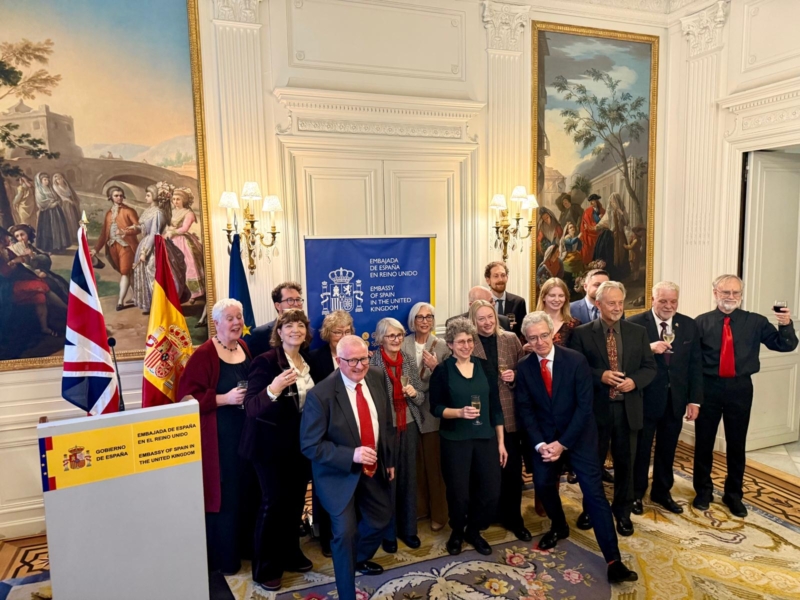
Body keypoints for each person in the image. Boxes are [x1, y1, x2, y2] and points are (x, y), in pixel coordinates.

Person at [515, 312, 639, 584]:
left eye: (544, 335)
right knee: (544, 485)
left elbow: (585, 409)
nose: (540, 342)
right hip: (544, 442)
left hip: (578, 437)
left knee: (594, 495)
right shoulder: (524, 368)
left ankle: (613, 559)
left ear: (552, 333)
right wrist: (541, 445)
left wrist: (563, 443)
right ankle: (559, 527)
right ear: (527, 339)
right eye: (533, 338)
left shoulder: (575, 360)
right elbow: (525, 411)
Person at [693, 274, 797, 517]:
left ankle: (734, 495)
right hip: (708, 388)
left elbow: (785, 345)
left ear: (741, 295)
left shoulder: (756, 322)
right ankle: (703, 491)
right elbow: (693, 362)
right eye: (725, 292)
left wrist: (786, 324)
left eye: (735, 293)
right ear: (715, 293)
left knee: (737, 444)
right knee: (704, 443)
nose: (730, 297)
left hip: (740, 389)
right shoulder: (701, 322)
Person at [300, 335, 396, 600]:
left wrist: (389, 461)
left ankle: (359, 559)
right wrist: (350, 455)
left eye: (363, 358)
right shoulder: (320, 395)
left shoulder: (376, 377)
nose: (359, 365)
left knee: (381, 518)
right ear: (338, 361)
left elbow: (385, 423)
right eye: (351, 360)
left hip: (373, 468)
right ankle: (346, 592)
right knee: (344, 534)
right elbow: (310, 445)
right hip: (337, 475)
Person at [568, 281, 656, 536]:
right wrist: (601, 375)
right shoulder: (583, 333)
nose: (617, 308)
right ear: (598, 304)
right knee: (592, 465)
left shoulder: (637, 332)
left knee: (626, 465)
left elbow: (650, 368)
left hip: (628, 410)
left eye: (620, 302)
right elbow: (577, 370)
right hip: (596, 411)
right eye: (611, 303)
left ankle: (623, 512)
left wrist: (634, 381)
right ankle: (591, 508)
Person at [177, 299, 253, 575]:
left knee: (246, 492)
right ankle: (226, 559)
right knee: (227, 498)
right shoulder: (205, 354)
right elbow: (185, 398)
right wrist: (224, 398)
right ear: (216, 323)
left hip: (246, 435)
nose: (236, 322)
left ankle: (247, 550)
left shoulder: (244, 347)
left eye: (239, 317)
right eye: (230, 318)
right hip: (220, 440)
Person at [240, 309, 314, 591]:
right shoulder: (266, 362)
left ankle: (290, 553)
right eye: (289, 325)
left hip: (298, 445)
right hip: (267, 447)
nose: (295, 329)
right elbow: (251, 407)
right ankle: (265, 568)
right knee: (273, 504)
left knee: (295, 502)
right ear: (279, 332)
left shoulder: (307, 363)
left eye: (300, 325)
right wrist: (273, 388)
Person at [430, 318, 506, 556]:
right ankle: (457, 532)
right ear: (450, 344)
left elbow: (495, 407)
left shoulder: (485, 366)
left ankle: (474, 530)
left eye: (469, 340)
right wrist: (459, 413)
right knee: (458, 492)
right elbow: (436, 408)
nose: (466, 345)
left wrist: (501, 443)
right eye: (460, 341)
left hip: (485, 438)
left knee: (490, 490)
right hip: (455, 440)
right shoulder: (442, 371)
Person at [628, 281, 703, 515]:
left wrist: (694, 400)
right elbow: (626, 362)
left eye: (673, 301)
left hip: (676, 399)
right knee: (640, 450)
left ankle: (661, 491)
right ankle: (635, 493)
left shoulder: (688, 325)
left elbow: (695, 365)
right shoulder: (634, 324)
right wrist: (648, 348)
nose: (668, 305)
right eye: (663, 300)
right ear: (652, 300)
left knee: (668, 449)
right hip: (645, 399)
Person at [468, 299, 528, 540]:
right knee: (483, 471)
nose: (487, 322)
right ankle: (484, 516)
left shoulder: (510, 339)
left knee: (512, 471)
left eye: (490, 317)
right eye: (481, 318)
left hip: (508, 412)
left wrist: (514, 376)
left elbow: (524, 373)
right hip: (480, 415)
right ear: (473, 321)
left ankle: (514, 518)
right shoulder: (467, 343)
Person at [369, 318, 425, 552]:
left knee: (409, 481)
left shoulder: (409, 361)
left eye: (400, 335)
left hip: (410, 425)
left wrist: (413, 393)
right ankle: (388, 532)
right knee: (387, 482)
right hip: (385, 430)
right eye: (391, 336)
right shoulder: (372, 364)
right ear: (381, 338)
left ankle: (409, 529)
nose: (396, 340)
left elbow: (421, 397)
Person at [307, 309, 354, 557]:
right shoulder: (315, 359)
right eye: (338, 332)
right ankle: (326, 537)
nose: (343, 336)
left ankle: (348, 535)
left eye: (347, 331)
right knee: (325, 486)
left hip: (350, 431)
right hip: (325, 432)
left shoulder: (357, 355)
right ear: (328, 335)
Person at [402, 302, 450, 533]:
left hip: (432, 412)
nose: (424, 321)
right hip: (409, 411)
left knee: (435, 466)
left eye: (428, 316)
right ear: (413, 320)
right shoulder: (402, 343)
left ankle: (439, 514)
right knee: (416, 465)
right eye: (420, 317)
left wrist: (437, 366)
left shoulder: (441, 346)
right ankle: (420, 509)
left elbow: (451, 378)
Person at [132, 183, 188, 314]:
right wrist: (135, 228)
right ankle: (151, 304)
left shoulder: (158, 213)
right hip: (146, 243)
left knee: (154, 274)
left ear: (155, 196)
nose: (145, 197)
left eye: (148, 195)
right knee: (146, 274)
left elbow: (154, 233)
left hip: (156, 246)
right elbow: (145, 228)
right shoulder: (148, 211)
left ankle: (161, 304)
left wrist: (145, 252)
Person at [0, 226, 64, 338]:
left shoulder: (7, 251)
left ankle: (44, 328)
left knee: (40, 297)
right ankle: (68, 310)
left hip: (16, 281)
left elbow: (22, 261)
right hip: (6, 288)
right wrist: (12, 264)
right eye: (4, 239)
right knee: (41, 286)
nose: (7, 241)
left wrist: (22, 258)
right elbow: (5, 274)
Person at [92, 186, 140, 310]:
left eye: (120, 195)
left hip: (126, 246)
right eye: (116, 195)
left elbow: (138, 228)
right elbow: (104, 234)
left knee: (125, 272)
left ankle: (120, 301)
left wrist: (125, 232)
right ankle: (137, 297)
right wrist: (96, 249)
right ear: (110, 197)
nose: (119, 198)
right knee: (127, 272)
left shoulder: (129, 211)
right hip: (113, 247)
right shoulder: (109, 214)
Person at [9, 224, 70, 304]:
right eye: (17, 236)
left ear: (27, 234)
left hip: (40, 273)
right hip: (28, 275)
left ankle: (70, 303)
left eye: (22, 235)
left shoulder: (30, 247)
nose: (20, 238)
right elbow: (23, 267)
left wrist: (33, 256)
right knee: (51, 284)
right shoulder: (15, 250)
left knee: (59, 281)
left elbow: (46, 260)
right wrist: (36, 272)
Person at [165, 187, 205, 304]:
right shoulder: (172, 212)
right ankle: (177, 291)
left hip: (182, 241)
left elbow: (184, 228)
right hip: (170, 240)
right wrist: (168, 230)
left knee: (187, 264)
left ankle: (193, 293)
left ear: (184, 200)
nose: (175, 202)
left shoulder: (189, 213)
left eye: (178, 199)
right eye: (174, 199)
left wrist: (173, 232)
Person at [249, 282, 304, 357]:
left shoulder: (305, 331)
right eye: (290, 300)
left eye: (298, 299)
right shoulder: (260, 335)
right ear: (278, 306)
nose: (296, 304)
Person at [484, 260, 527, 339]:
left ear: (507, 278)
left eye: (503, 275)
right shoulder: (483, 303)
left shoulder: (519, 302)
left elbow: (523, 332)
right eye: (496, 276)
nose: (500, 279)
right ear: (488, 280)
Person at [593, 193, 629, 281]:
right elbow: (598, 226)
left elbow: (626, 222)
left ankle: (620, 274)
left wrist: (620, 211)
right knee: (607, 254)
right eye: (612, 201)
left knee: (622, 255)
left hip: (619, 237)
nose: (613, 203)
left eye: (615, 201)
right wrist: (602, 226)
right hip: (609, 237)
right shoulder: (609, 213)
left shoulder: (622, 212)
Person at [536, 277, 581, 348]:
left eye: (561, 296)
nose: (557, 299)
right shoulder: (532, 322)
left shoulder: (575, 324)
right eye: (552, 295)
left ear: (565, 298)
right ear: (543, 297)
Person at [33, 173, 71, 253]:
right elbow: (40, 201)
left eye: (47, 179)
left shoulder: (50, 188)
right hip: (46, 213)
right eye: (44, 180)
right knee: (49, 229)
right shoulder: (39, 190)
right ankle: (49, 247)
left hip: (56, 211)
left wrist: (57, 201)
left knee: (58, 227)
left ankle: (59, 246)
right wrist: (51, 204)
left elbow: (57, 197)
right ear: (40, 181)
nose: (47, 181)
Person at [446, 285, 511, 330]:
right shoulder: (454, 324)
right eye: (486, 303)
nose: (493, 304)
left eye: (492, 301)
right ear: (471, 305)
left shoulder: (503, 321)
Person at [51, 173, 81, 244]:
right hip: (65, 205)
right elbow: (62, 197)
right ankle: (71, 237)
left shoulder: (66, 185)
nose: (59, 180)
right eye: (57, 179)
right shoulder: (56, 187)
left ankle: (76, 236)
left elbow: (71, 194)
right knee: (69, 220)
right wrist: (69, 201)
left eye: (60, 178)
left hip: (71, 205)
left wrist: (74, 200)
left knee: (75, 219)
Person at [580, 194, 605, 265]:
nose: (591, 203)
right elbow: (587, 224)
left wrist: (602, 219)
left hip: (601, 234)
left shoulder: (602, 211)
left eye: (592, 201)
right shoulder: (587, 212)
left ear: (596, 201)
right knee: (590, 253)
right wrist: (598, 223)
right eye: (590, 202)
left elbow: (606, 222)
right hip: (590, 235)